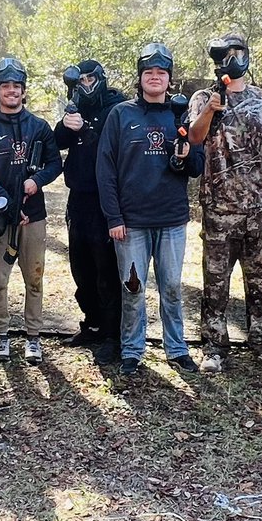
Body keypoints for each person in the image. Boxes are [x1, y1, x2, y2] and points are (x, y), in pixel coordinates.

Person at [97, 43, 204, 375]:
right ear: (140, 78)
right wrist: (114, 217)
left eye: (161, 73)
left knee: (171, 286)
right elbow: (105, 169)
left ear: (169, 79)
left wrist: (185, 156)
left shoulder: (180, 115)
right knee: (133, 289)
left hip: (171, 219)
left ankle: (176, 348)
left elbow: (197, 166)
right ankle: (132, 350)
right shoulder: (121, 114)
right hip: (131, 223)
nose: (155, 78)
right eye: (149, 73)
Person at [186, 32, 262, 372]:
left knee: (260, 279)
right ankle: (214, 348)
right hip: (218, 207)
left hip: (258, 205)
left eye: (237, 51)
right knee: (215, 282)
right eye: (225, 54)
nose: (232, 58)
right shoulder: (204, 97)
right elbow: (195, 139)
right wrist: (211, 109)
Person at [0, 57, 62, 365]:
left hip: (33, 217)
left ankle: (33, 338)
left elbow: (55, 164)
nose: (11, 91)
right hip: (1, 217)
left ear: (24, 91)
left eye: (16, 86)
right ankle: (2, 335)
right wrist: (9, 204)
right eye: (5, 86)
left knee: (34, 278)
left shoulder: (39, 126)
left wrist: (35, 182)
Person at [55, 59, 127, 353]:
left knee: (106, 268)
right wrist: (65, 125)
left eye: (90, 79)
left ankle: (112, 333)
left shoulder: (116, 107)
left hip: (106, 199)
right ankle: (92, 324)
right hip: (78, 198)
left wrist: (84, 130)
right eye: (80, 80)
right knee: (80, 267)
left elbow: (112, 150)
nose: (86, 85)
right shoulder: (75, 106)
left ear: (101, 78)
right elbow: (56, 142)